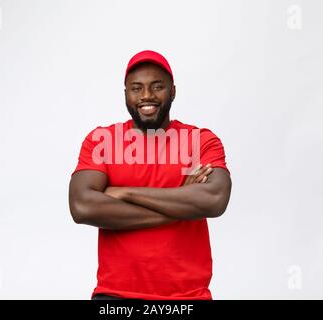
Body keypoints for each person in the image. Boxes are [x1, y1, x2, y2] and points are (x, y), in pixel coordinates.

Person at [68, 50, 232, 300]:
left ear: (173, 91)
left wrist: (125, 192)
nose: (147, 96)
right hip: (116, 296)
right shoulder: (102, 141)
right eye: (137, 88)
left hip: (187, 297)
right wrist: (183, 203)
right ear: (126, 94)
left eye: (157, 87)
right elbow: (82, 206)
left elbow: (215, 199)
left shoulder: (200, 141)